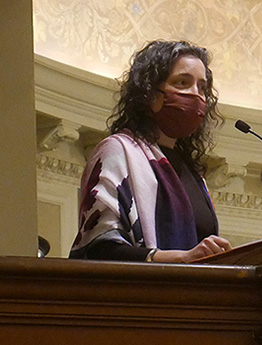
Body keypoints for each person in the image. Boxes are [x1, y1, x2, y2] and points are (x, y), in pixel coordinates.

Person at [69, 40, 232, 263]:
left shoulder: (192, 172)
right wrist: (178, 258)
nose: (196, 95)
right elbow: (100, 248)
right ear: (149, 93)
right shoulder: (118, 151)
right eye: (183, 82)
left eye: (202, 88)